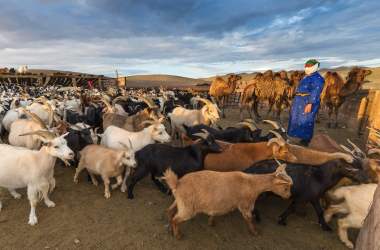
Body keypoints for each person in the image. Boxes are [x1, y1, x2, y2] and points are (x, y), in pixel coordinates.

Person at [287, 59, 325, 146]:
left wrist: (310, 103)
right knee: (295, 118)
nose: (307, 68)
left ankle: (305, 140)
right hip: (299, 100)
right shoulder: (306, 76)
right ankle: (295, 136)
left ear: (315, 67)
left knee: (306, 119)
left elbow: (316, 91)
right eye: (306, 66)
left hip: (308, 100)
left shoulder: (318, 79)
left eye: (309, 66)